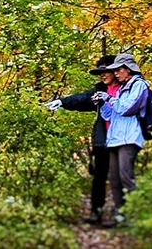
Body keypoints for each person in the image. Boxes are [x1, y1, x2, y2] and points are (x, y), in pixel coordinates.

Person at [44, 55, 119, 224]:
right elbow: (82, 99)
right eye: (100, 72)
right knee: (100, 177)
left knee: (120, 177)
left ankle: (122, 213)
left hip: (122, 141)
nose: (102, 75)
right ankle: (96, 212)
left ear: (115, 71)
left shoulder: (127, 88)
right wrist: (62, 102)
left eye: (105, 71)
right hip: (103, 140)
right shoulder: (100, 90)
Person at [92, 53, 148, 227]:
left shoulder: (139, 85)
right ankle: (120, 216)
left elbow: (127, 108)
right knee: (115, 179)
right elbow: (111, 114)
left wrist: (109, 98)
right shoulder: (122, 88)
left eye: (118, 69)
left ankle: (137, 215)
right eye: (114, 70)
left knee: (126, 177)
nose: (116, 73)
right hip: (115, 139)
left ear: (128, 69)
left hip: (129, 138)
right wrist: (101, 102)